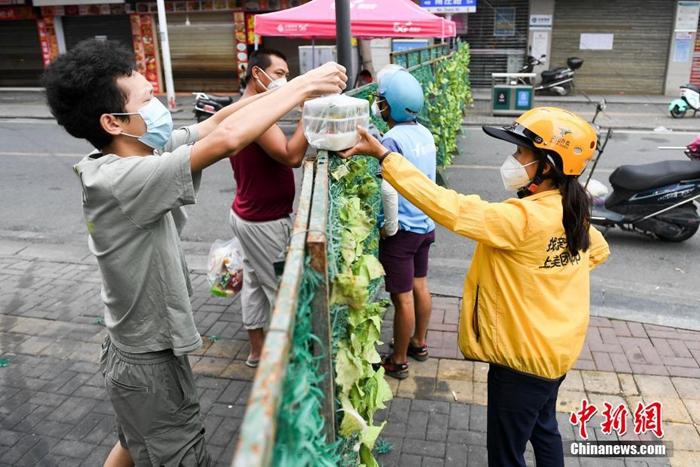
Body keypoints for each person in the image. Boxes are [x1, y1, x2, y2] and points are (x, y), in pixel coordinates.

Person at [42, 38, 346, 467]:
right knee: (179, 453)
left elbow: (220, 120)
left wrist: (278, 90)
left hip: (130, 352)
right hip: (149, 360)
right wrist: (304, 87)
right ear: (114, 121)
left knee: (133, 442)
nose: (158, 104)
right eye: (147, 98)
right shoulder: (126, 177)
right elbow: (225, 140)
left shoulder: (132, 150)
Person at [340, 107, 610, 467]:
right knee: (544, 429)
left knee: (506, 453)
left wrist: (386, 157)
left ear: (547, 165)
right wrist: (542, 275)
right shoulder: (571, 207)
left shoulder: (522, 219)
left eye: (520, 153)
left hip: (522, 362)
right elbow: (597, 252)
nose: (513, 160)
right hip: (556, 351)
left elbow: (450, 207)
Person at [228, 49, 309, 368]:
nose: (285, 80)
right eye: (279, 74)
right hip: (264, 222)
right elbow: (290, 155)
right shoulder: (254, 112)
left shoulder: (251, 106)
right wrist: (308, 113)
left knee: (254, 285)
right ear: (257, 74)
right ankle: (286, 364)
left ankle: (258, 350)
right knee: (280, 291)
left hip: (248, 214)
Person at [372, 67, 437, 379]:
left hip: (402, 229)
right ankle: (419, 343)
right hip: (426, 225)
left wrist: (390, 227)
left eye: (380, 101)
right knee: (420, 285)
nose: (377, 106)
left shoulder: (392, 139)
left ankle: (397, 360)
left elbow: (388, 187)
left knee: (402, 297)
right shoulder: (424, 133)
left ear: (391, 106)